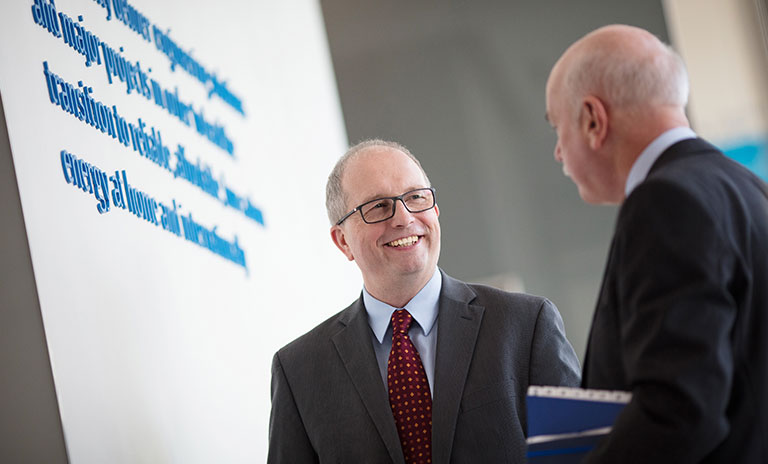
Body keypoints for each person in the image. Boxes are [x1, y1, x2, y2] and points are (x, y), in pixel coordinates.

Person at [267, 139, 580, 463]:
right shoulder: (299, 371)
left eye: (416, 197)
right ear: (343, 240)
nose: (403, 218)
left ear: (435, 211)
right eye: (378, 206)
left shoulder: (527, 325)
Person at [545, 24, 768, 463]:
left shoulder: (665, 201)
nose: (557, 153)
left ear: (593, 119)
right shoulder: (749, 188)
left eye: (557, 128)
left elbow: (680, 409)